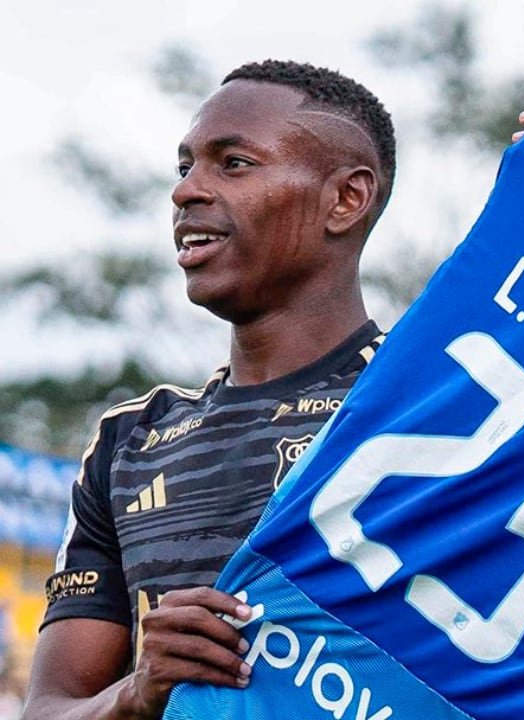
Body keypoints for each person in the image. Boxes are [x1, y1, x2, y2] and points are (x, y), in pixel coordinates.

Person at [23, 60, 396, 720]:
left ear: (346, 198)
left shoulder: (422, 403)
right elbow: (50, 710)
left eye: (233, 163)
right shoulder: (129, 443)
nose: (187, 191)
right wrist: (139, 692)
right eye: (185, 166)